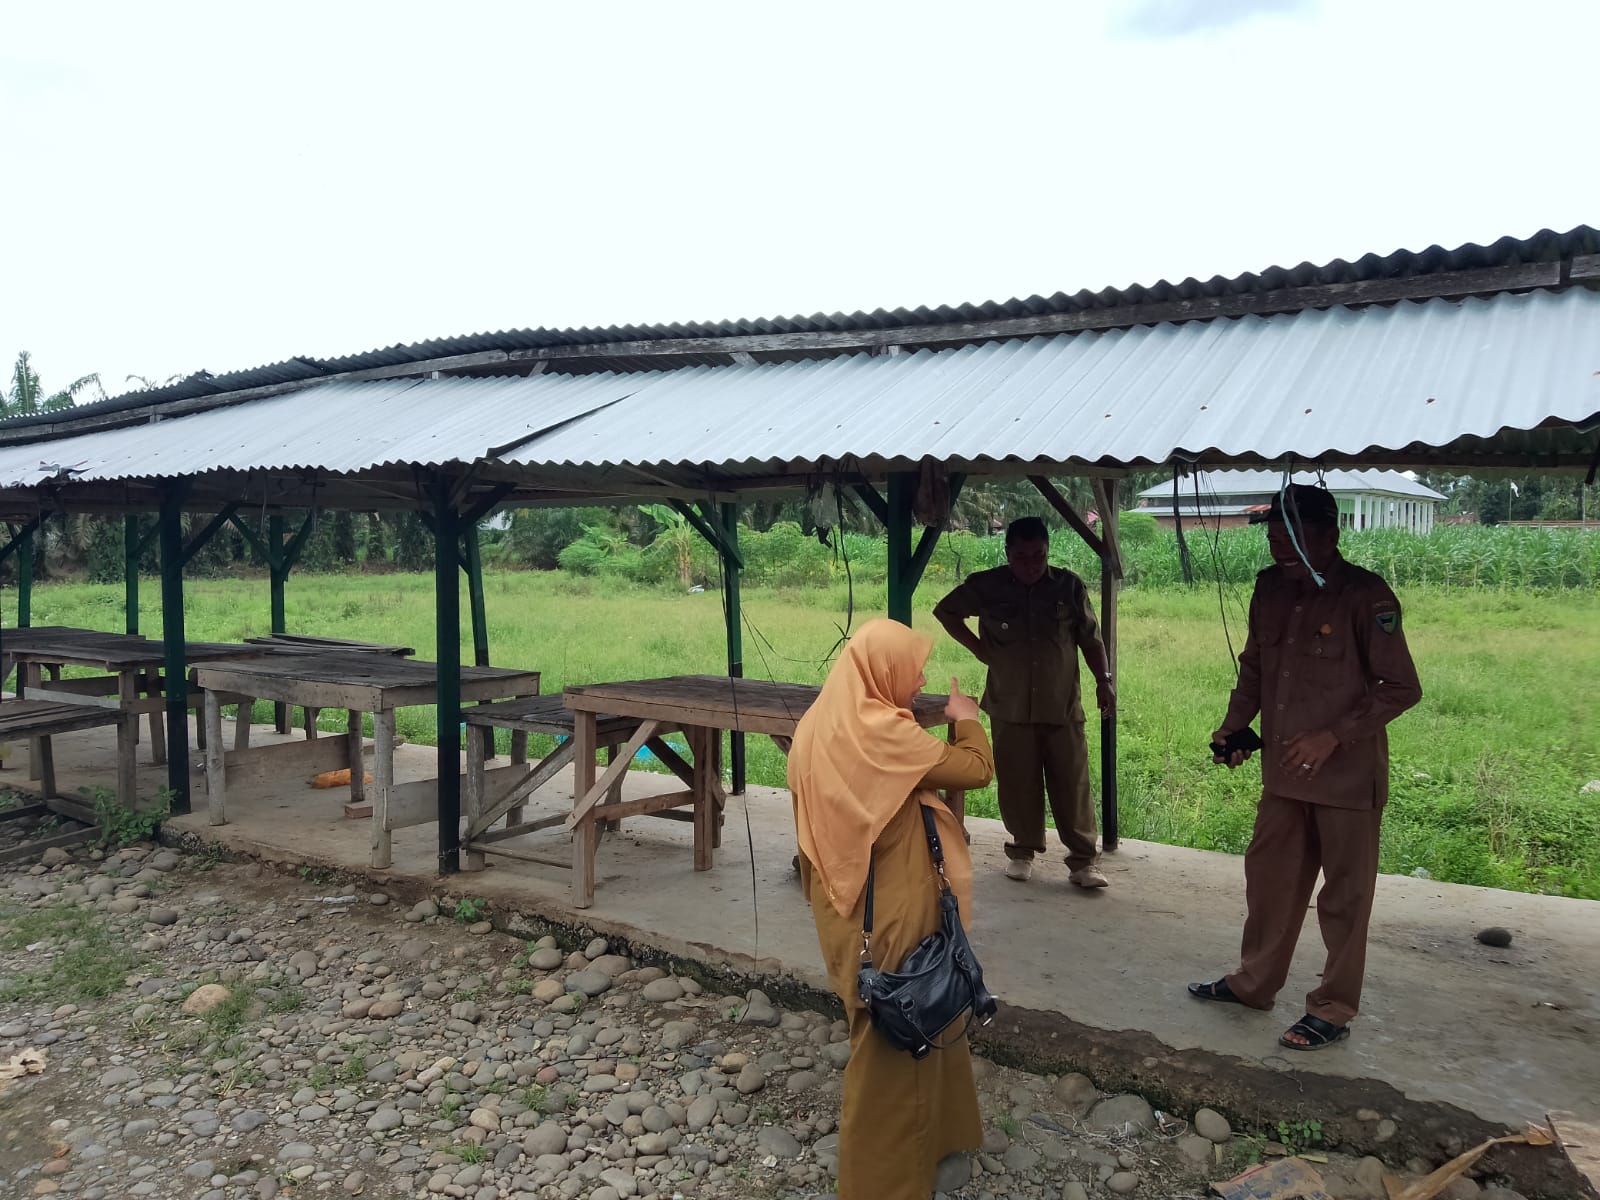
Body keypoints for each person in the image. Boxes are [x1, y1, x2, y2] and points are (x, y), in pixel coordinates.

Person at [1189, 483, 1422, 1051]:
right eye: (1273, 539)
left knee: (1344, 898)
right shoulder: (1269, 588)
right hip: (1284, 777)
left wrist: (1333, 736)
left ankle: (1333, 1008)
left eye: (1291, 540)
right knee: (1269, 882)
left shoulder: (1365, 596)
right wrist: (1233, 727)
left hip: (1346, 779)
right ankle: (1253, 984)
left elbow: (1402, 688)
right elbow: (1254, 667)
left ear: (1330, 535)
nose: (1279, 551)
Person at [787, 618, 995, 1200]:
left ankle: (937, 1140)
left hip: (842, 902)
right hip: (890, 906)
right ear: (881, 671)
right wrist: (966, 718)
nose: (920, 680)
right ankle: (878, 1183)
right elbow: (976, 770)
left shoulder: (819, 723)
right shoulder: (883, 733)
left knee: (924, 1009)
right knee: (894, 1033)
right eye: (912, 669)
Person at [933, 515, 1114, 887]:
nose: (1031, 565)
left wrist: (1104, 681)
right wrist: (979, 649)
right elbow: (946, 611)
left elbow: (1091, 640)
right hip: (1010, 705)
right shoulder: (988, 586)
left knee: (1072, 784)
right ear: (1007, 553)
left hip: (1061, 705)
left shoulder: (1068, 587)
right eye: (1021, 557)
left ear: (1048, 552)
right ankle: (1022, 851)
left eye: (1039, 556)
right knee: (1017, 783)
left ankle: (1083, 862)